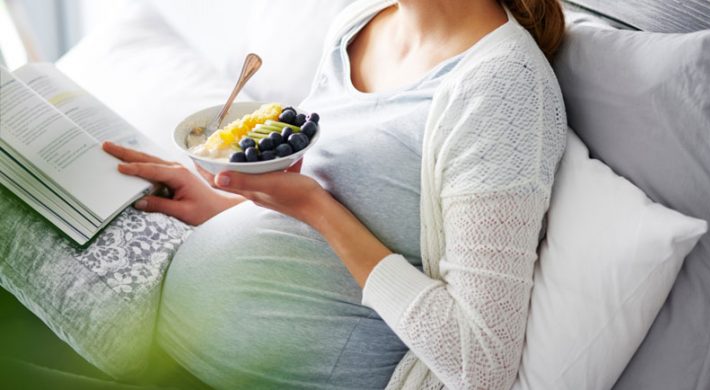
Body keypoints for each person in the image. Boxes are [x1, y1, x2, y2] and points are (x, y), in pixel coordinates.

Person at [13, 0, 568, 388]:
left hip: (192, 370)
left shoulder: (503, 88)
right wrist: (225, 209)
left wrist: (313, 208)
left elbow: (481, 365)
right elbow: (342, 210)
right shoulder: (361, 23)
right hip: (158, 326)